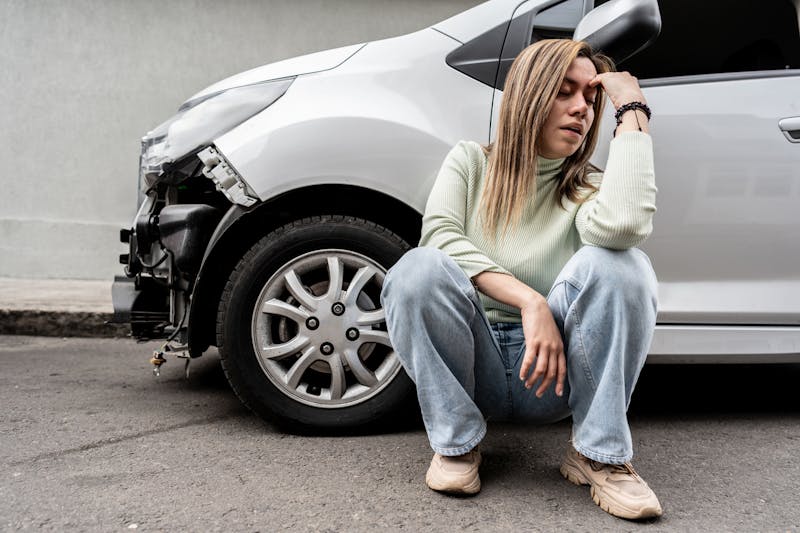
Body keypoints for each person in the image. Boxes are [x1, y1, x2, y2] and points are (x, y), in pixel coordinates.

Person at [380, 39, 662, 520]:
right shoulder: (471, 162)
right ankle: (456, 445)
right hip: (476, 367)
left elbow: (624, 227)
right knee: (416, 270)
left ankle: (599, 456)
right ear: (529, 95)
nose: (582, 109)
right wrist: (531, 303)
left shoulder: (588, 187)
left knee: (623, 265)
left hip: (557, 377)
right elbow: (440, 237)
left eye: (591, 99)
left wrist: (632, 110)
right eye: (564, 92)